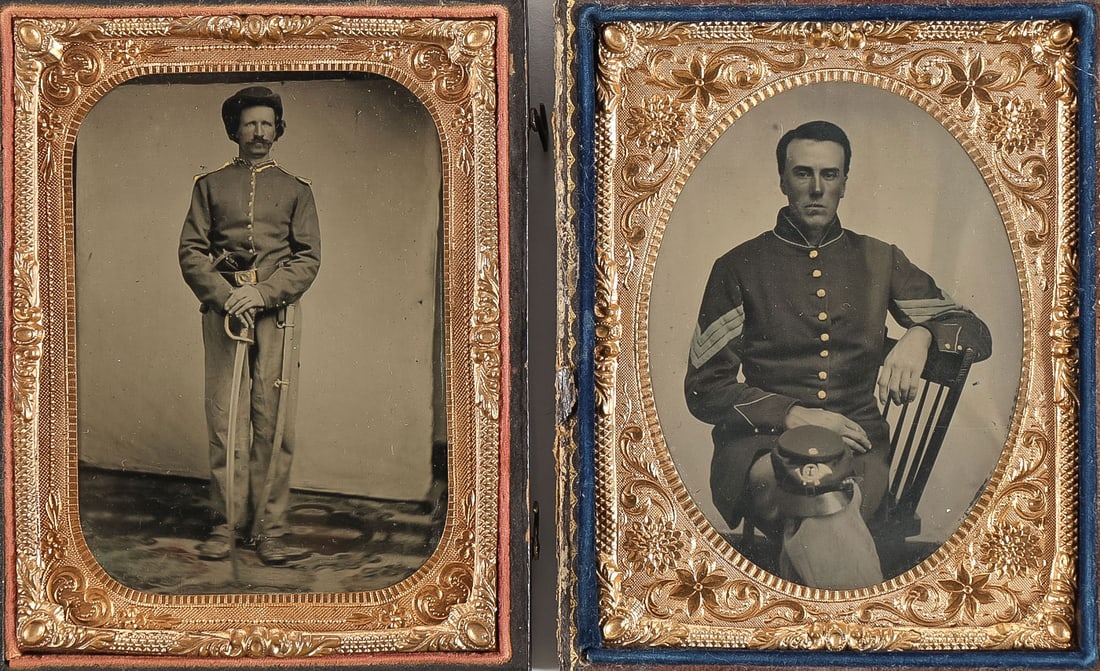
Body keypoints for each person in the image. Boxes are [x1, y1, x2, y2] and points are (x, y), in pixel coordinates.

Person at [684, 120, 991, 588]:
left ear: (845, 182)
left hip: (860, 446)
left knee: (830, 506)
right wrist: (790, 414)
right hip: (761, 449)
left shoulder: (879, 258)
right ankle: (861, 631)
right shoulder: (737, 267)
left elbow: (976, 333)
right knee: (814, 499)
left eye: (830, 175)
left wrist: (921, 336)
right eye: (802, 173)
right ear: (782, 180)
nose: (816, 188)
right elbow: (705, 390)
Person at [179, 86, 321, 565]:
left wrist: (261, 292)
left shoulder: (298, 189)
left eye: (267, 123)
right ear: (234, 130)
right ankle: (225, 525)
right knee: (225, 420)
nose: (259, 132)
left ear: (277, 129)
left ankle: (269, 529)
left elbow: (308, 258)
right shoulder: (210, 185)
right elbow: (192, 251)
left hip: (277, 316)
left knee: (274, 422)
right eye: (250, 123)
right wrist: (227, 296)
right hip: (224, 315)